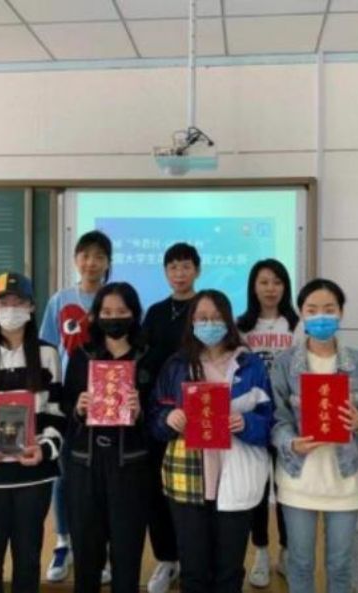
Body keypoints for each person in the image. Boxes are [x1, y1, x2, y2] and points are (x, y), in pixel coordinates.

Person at [150, 289, 273, 593]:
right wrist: (168, 419)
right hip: (188, 479)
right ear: (191, 322)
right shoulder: (177, 365)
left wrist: (246, 423)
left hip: (237, 475)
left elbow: (270, 421)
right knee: (193, 572)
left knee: (229, 572)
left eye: (216, 318)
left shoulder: (250, 365)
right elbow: (155, 417)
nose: (209, 324)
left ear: (229, 321)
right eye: (202, 318)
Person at [0, 272, 65, 593]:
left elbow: (56, 414)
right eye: (3, 302)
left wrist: (44, 449)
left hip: (33, 476)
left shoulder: (47, 355)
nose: (10, 308)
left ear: (31, 307)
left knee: (28, 558)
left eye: (18, 301)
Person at [270, 278, 358, 593]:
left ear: (341, 312)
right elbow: (276, 419)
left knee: (340, 565)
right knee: (300, 563)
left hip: (344, 480)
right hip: (298, 479)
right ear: (302, 314)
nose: (321, 317)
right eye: (312, 310)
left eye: (329, 309)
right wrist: (291, 442)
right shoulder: (285, 363)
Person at [62, 282, 154, 593]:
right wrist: (78, 408)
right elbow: (64, 407)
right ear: (97, 315)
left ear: (134, 314)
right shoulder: (82, 355)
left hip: (130, 467)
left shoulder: (147, 356)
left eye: (121, 311)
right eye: (107, 312)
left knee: (127, 554)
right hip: (85, 465)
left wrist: (140, 411)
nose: (114, 318)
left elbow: (160, 415)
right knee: (86, 554)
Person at [39, 230, 112, 583]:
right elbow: (47, 349)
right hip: (68, 398)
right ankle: (63, 542)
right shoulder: (61, 299)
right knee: (64, 472)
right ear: (75, 260)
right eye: (85, 255)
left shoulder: (114, 298)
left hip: (109, 396)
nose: (91, 263)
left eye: (99, 256)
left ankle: (104, 548)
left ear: (108, 262)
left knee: (104, 475)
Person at [141, 242, 201, 593]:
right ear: (165, 272)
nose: (179, 273)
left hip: (200, 414)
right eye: (173, 267)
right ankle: (166, 558)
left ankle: (193, 558)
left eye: (186, 266)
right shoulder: (155, 312)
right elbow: (145, 359)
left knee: (195, 492)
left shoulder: (205, 308)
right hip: (161, 415)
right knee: (157, 489)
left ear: (197, 270)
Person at [236, 259, 299, 587]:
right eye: (264, 282)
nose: (271, 288)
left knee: (286, 488)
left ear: (285, 286)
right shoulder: (241, 326)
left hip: (289, 419)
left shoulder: (297, 325)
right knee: (258, 488)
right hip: (256, 419)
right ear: (253, 287)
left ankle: (287, 551)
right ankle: (260, 550)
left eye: (277, 282)